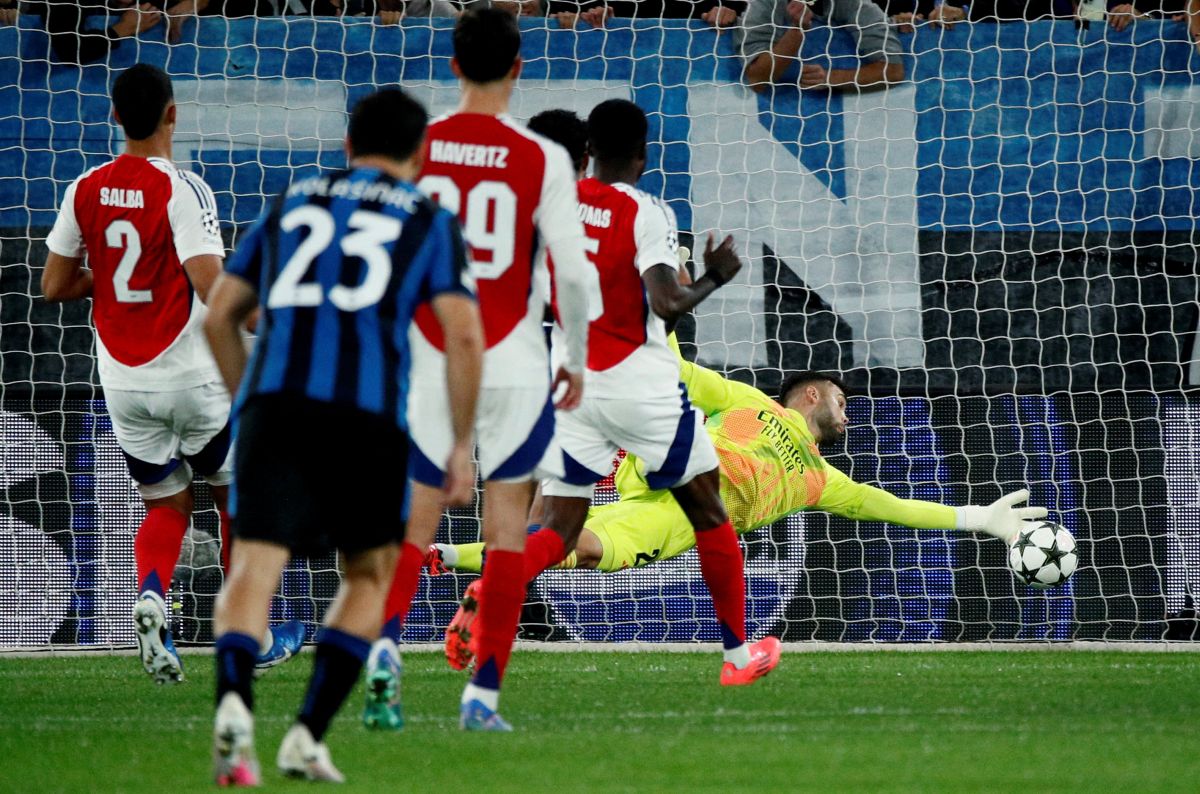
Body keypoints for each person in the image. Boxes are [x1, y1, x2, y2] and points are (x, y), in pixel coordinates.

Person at [447, 101, 781, 693]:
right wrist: (714, 278)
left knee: (557, 527)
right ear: (643, 155)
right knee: (709, 513)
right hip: (640, 384)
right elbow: (667, 304)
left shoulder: (553, 208)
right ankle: (736, 653)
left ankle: (492, 585)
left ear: (589, 150)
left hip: (571, 382)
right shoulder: (646, 212)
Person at [203, 87, 483, 785]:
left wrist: (251, 403)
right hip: (365, 418)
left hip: (275, 405)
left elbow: (220, 317)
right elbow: (465, 336)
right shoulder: (427, 217)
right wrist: (458, 445)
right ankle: (305, 733)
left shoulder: (294, 200)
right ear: (420, 155)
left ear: (347, 145)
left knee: (253, 569)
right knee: (367, 575)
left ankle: (235, 705)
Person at [363, 7, 592, 733]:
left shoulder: (421, 148)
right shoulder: (542, 157)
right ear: (519, 67)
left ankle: (384, 653)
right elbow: (574, 276)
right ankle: (482, 698)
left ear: (454, 66)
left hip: (435, 356)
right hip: (520, 361)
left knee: (413, 517)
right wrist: (577, 359)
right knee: (507, 533)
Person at [42, 63, 302, 687]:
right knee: (234, 497)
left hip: (125, 385)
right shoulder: (183, 189)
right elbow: (211, 284)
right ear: (173, 113)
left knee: (166, 503)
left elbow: (53, 285)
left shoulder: (84, 187)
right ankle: (254, 634)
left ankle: (154, 597)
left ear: (113, 116)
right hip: (193, 377)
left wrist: (104, 279)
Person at [431, 353, 1048, 577]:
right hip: (671, 461)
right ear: (810, 394)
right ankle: (561, 426)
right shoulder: (755, 405)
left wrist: (979, 519)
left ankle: (446, 559)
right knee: (662, 406)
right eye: (841, 399)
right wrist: (658, 319)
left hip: (675, 520)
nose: (848, 412)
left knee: (579, 549)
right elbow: (684, 375)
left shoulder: (820, 481)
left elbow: (895, 508)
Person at [738, 0, 905, 92]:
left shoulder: (855, 4)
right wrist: (797, 30)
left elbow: (893, 71)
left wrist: (830, 78)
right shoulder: (763, 5)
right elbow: (758, 79)